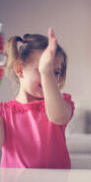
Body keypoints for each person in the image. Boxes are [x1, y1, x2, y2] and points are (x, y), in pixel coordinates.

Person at [0, 28, 74, 168]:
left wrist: (46, 72)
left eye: (56, 72)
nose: (50, 77)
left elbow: (58, 117)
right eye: (41, 69)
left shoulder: (60, 102)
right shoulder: (4, 111)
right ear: (20, 70)